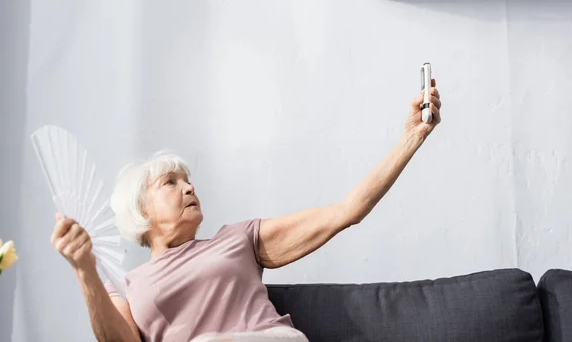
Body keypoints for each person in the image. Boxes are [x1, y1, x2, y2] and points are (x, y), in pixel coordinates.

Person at [50, 81, 442, 342]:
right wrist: (85, 269)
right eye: (170, 183)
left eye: (187, 180)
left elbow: (347, 210)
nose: (188, 187)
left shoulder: (238, 239)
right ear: (141, 210)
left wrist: (411, 138)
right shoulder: (126, 284)